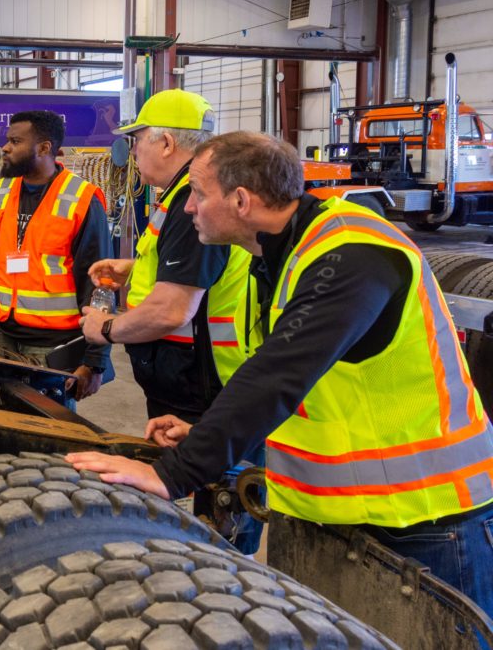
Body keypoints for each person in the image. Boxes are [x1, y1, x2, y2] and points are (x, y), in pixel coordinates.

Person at [68, 130, 493, 616]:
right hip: (334, 515)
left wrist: (172, 475)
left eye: (199, 195)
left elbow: (279, 374)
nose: (189, 208)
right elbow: (316, 396)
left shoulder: (352, 254)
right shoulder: (277, 254)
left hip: (424, 521)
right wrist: (211, 433)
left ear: (241, 200)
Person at [81, 89, 251, 422]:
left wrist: (105, 329)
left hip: (199, 387)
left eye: (138, 140)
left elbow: (172, 310)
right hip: (192, 379)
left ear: (167, 143)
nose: (133, 152)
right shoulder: (183, 195)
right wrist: (135, 268)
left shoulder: (193, 202)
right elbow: (200, 269)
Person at [0, 110, 112, 403]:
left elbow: (100, 282)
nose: (5, 147)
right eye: (7, 140)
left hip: (53, 344)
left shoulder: (80, 199)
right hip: (6, 332)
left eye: (15, 141)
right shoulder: (1, 191)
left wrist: (94, 361)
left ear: (44, 147)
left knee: (50, 428)